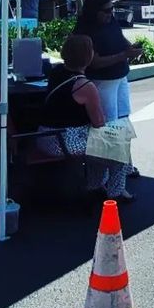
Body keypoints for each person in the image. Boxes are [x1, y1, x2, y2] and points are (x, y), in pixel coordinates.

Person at [37, 34, 131, 201]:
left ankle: (95, 185)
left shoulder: (57, 71)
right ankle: (115, 192)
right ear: (88, 56)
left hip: (44, 136)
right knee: (118, 144)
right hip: (65, 141)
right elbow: (98, 123)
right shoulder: (86, 86)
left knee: (99, 144)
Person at [74, 0, 142, 175]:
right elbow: (94, 62)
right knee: (109, 126)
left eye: (111, 9)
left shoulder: (110, 21)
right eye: (106, 11)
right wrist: (123, 55)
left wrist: (131, 49)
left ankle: (125, 165)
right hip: (102, 80)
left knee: (122, 121)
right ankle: (105, 174)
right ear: (95, 10)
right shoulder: (85, 28)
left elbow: (120, 38)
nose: (110, 14)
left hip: (119, 77)